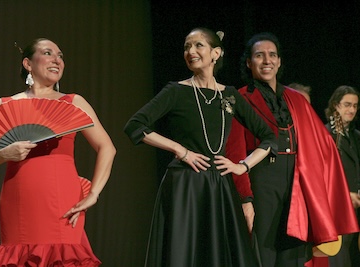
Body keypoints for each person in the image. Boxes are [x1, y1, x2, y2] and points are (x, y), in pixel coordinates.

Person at [124, 27, 278, 267]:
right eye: (187, 47)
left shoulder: (229, 95)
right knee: (184, 253)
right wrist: (180, 151)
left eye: (198, 45)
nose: (191, 51)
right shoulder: (176, 91)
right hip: (185, 186)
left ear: (216, 53)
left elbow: (269, 137)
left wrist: (242, 166)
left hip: (220, 187)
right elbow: (135, 125)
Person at [0, 38, 116, 266]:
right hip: (19, 201)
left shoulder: (73, 103)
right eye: (48, 53)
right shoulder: (4, 105)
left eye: (60, 56)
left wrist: (93, 193)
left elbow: (107, 147)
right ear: (28, 64)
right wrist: (4, 153)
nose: (57, 60)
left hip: (63, 201)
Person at [225, 32, 359, 267]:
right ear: (249, 62)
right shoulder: (240, 99)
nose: (267, 60)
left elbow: (323, 144)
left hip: (297, 183)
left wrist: (322, 187)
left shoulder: (296, 99)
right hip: (262, 182)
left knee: (295, 253)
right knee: (263, 254)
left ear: (279, 61)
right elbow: (235, 152)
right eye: (259, 55)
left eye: (272, 55)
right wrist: (245, 199)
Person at [323, 85, 360, 266]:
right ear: (336, 106)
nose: (351, 110)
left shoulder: (355, 136)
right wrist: (346, 195)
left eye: (354, 106)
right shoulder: (326, 135)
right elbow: (324, 177)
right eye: (347, 105)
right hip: (337, 209)